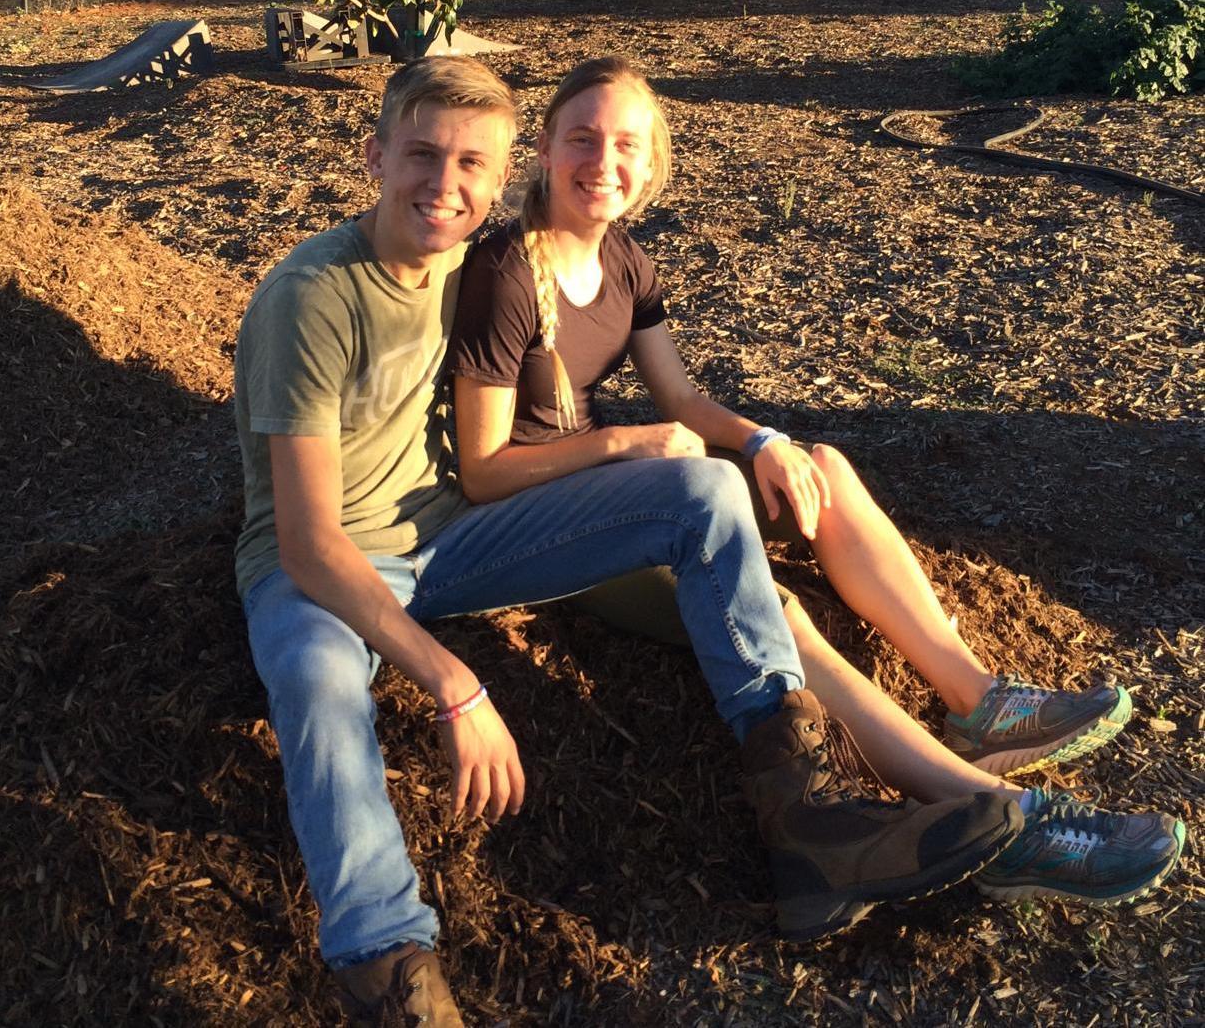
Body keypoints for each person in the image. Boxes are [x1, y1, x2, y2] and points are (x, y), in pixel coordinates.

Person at [233, 58, 1026, 1026]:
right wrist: (454, 682)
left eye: (472, 164)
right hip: (316, 567)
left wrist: (751, 438)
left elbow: (636, 370)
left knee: (701, 487)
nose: (445, 185)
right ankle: (389, 969)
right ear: (376, 158)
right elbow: (313, 544)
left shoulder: (474, 259)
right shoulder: (309, 296)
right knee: (318, 682)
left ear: (500, 175)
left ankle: (804, 814)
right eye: (422, 156)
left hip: (455, 539)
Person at [447, 55, 1186, 922]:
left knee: (823, 469)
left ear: (651, 165)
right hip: (563, 525)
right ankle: (1012, 825)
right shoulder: (504, 273)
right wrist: (625, 441)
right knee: (775, 612)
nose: (601, 162)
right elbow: (484, 472)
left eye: (624, 145)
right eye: (581, 139)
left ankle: (978, 701)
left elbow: (682, 399)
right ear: (544, 146)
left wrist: (767, 440)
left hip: (640, 486)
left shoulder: (625, 261)